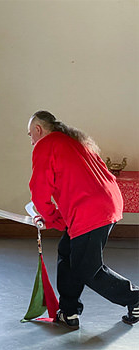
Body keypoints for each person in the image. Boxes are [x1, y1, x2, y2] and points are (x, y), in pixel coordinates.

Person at [27, 110, 139, 328]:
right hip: (105, 203)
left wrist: (51, 219)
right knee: (67, 253)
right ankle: (68, 312)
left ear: (38, 130)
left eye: (30, 134)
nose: (31, 141)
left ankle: (135, 298)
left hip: (91, 211)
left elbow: (39, 190)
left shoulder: (46, 144)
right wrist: (60, 219)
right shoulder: (74, 141)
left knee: (87, 269)